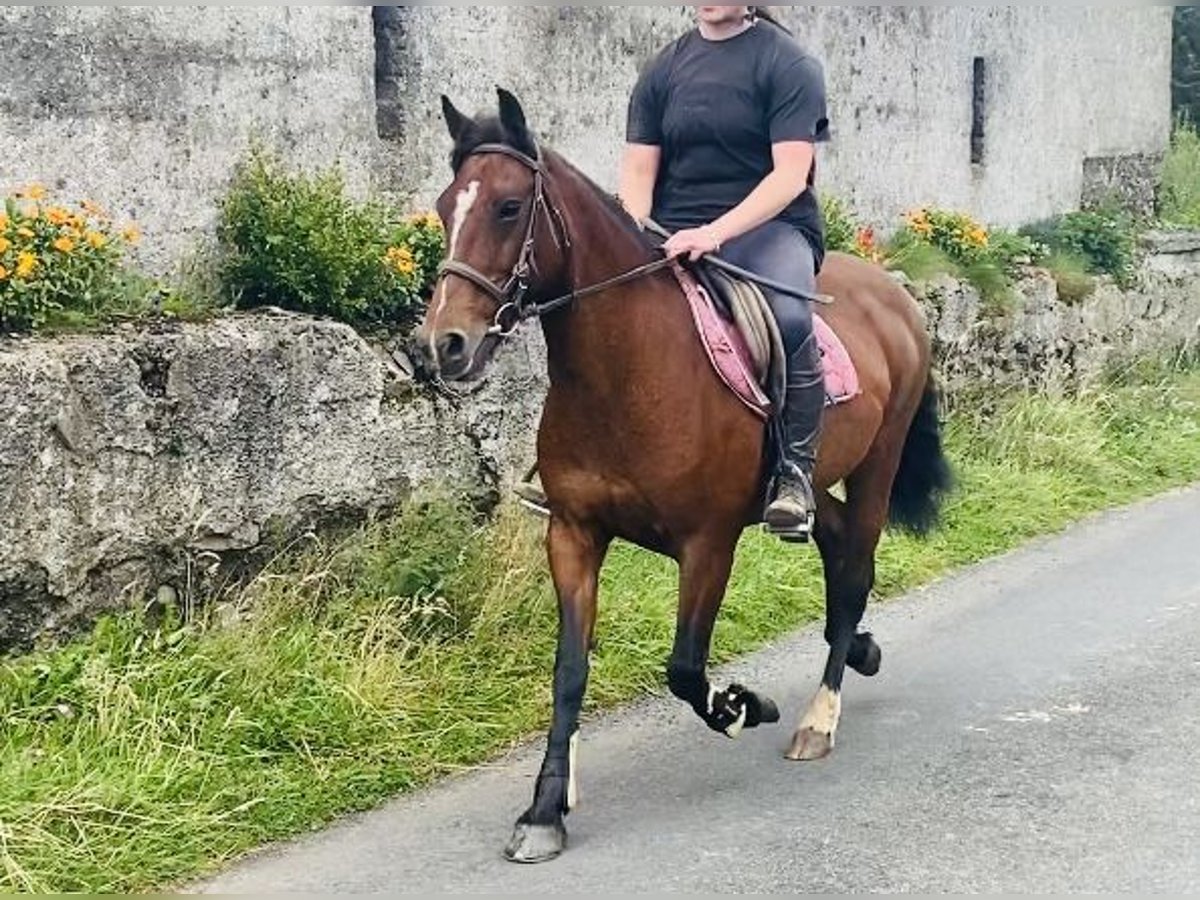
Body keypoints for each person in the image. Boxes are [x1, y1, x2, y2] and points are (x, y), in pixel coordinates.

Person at [516, 5, 830, 542]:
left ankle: (793, 473)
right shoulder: (663, 69)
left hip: (770, 230)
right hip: (672, 228)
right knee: (601, 313)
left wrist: (715, 233)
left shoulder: (789, 64)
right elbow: (639, 171)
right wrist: (633, 233)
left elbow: (790, 176)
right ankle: (570, 469)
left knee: (789, 317)